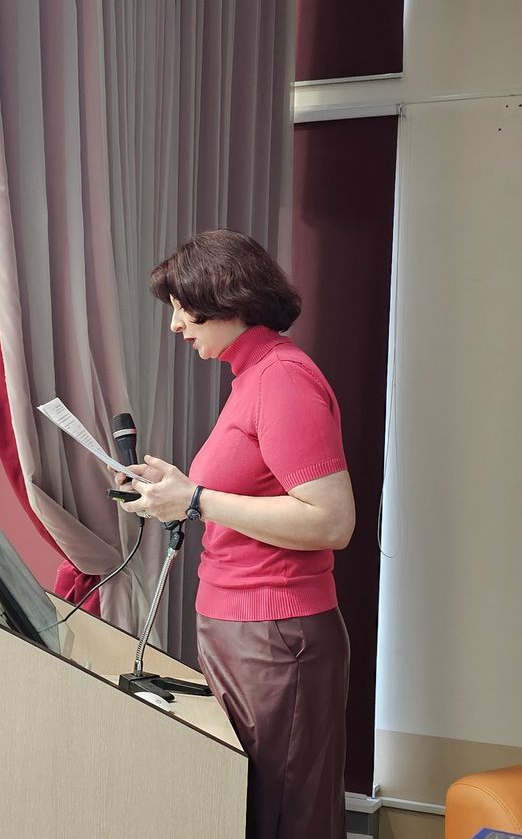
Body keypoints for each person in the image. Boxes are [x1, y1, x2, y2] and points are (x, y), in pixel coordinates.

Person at [118, 229, 355, 839]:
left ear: (226, 300)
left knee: (280, 816)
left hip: (274, 631)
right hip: (241, 625)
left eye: (182, 308)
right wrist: (177, 490)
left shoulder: (282, 378)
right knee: (249, 808)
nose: (175, 326)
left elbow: (331, 521)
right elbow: (250, 494)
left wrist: (195, 499)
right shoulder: (252, 377)